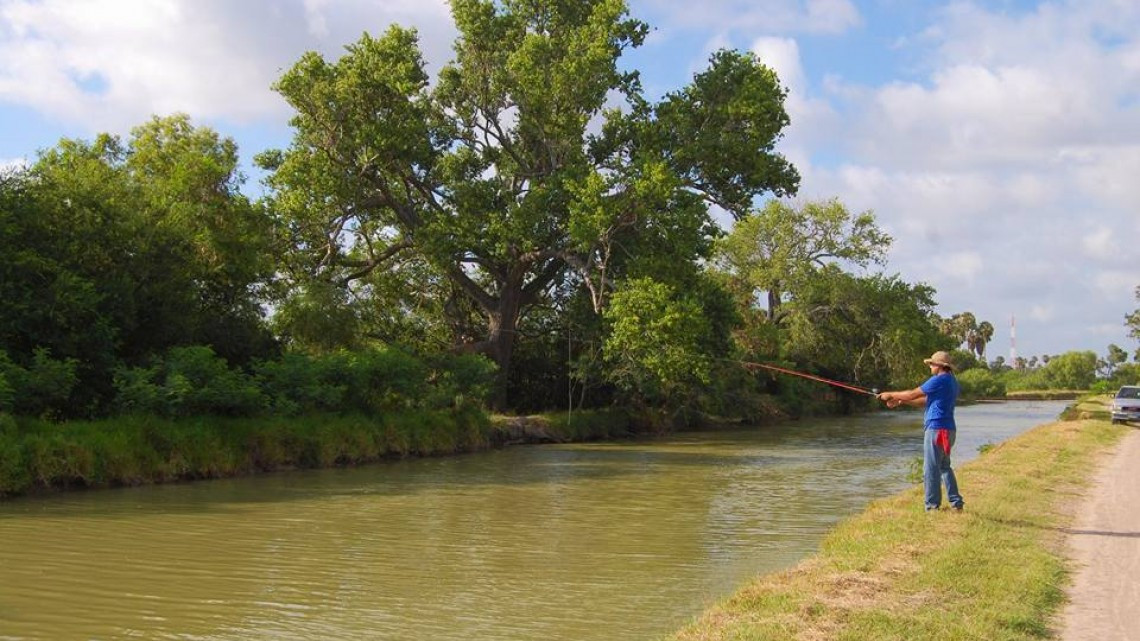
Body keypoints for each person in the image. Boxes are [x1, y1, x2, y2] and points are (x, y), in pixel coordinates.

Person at [878, 351, 964, 512]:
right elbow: (925, 401)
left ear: (939, 366)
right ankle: (956, 503)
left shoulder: (938, 380)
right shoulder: (952, 381)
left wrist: (889, 394)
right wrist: (901, 401)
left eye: (932, 364)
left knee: (931, 468)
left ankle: (932, 506)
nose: (930, 366)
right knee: (945, 466)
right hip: (948, 429)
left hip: (936, 429)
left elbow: (913, 393)